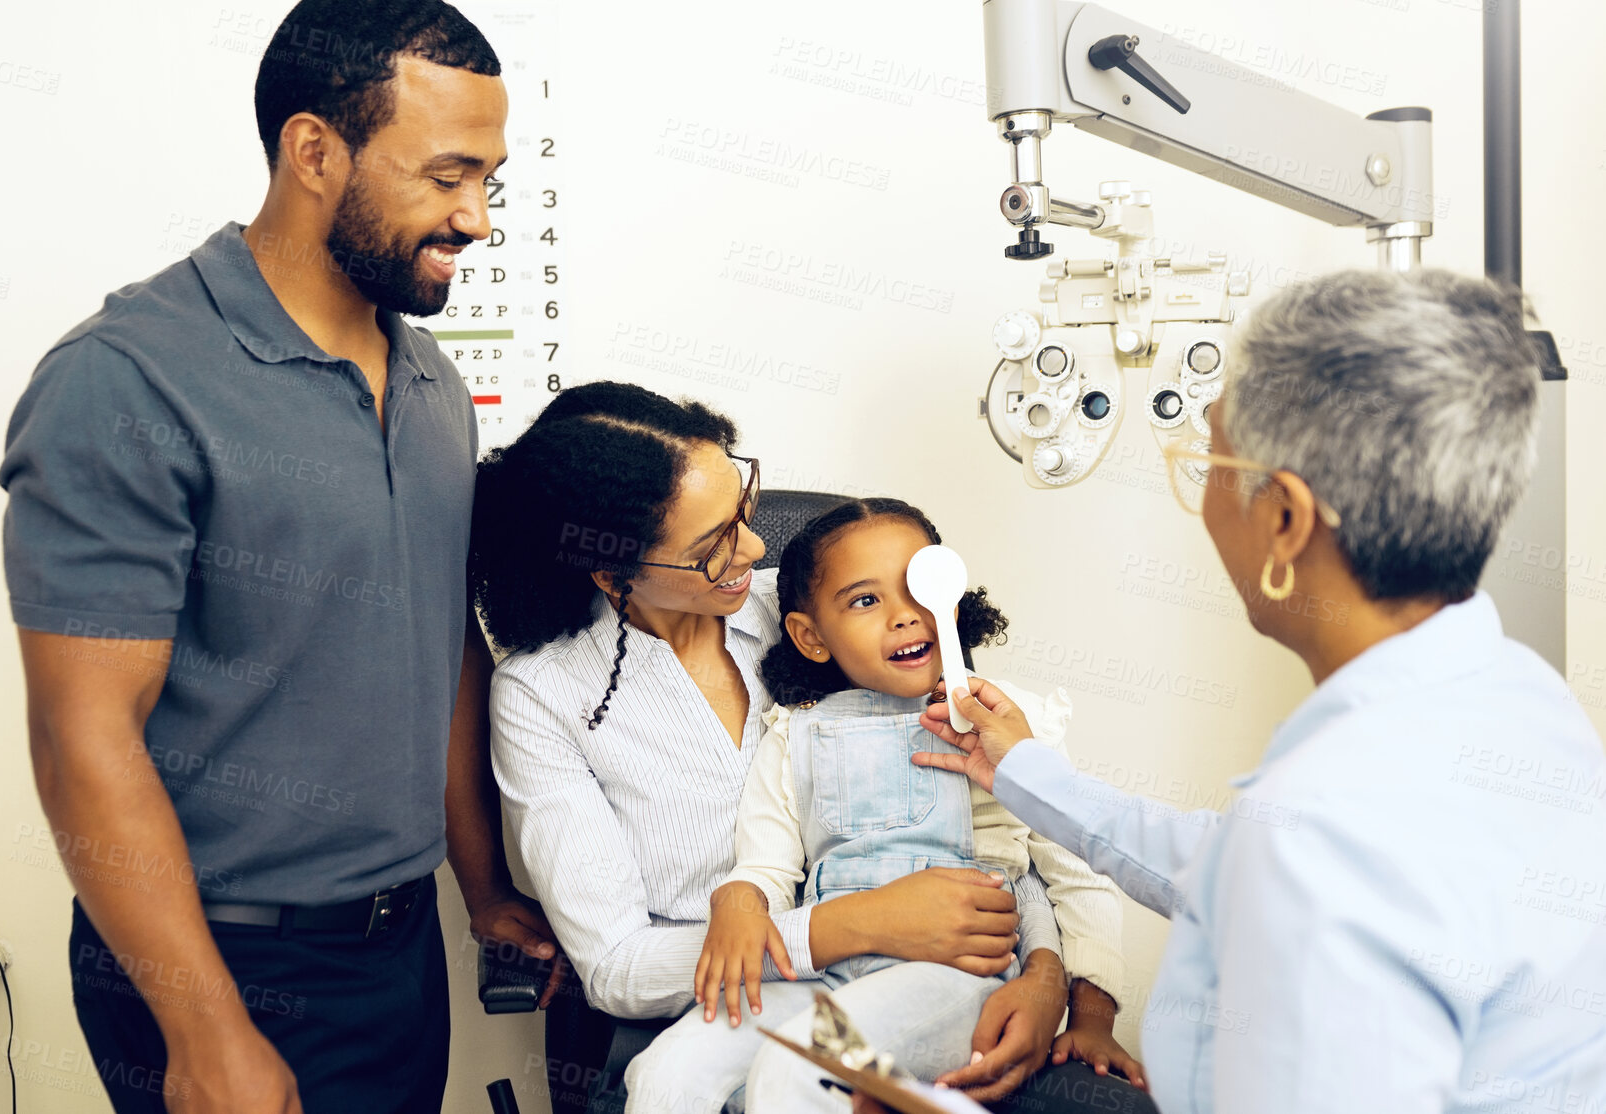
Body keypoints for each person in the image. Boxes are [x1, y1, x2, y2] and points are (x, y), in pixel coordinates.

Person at [0, 4, 557, 1111]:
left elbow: (440, 650)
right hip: (217, 968)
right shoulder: (125, 379)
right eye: (447, 176)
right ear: (314, 151)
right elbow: (81, 737)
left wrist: (483, 888)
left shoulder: (435, 385)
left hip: (397, 959)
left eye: (489, 178)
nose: (478, 217)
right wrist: (203, 1032)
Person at [913, 269, 1606, 1111]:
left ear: (1283, 520)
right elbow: (1234, 860)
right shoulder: (1518, 695)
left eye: (1208, 455)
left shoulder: (1325, 827)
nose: (1202, 494)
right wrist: (1022, 770)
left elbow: (1300, 863)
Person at [475, 383, 1031, 1111]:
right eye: (711, 548)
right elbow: (616, 966)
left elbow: (996, 812)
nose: (756, 547)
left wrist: (1048, 979)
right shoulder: (541, 695)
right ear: (614, 575)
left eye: (742, 508)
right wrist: (845, 926)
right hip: (705, 1015)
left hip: (917, 983)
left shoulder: (825, 609)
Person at [649, 497, 1150, 1114]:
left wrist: (1092, 1018)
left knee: (798, 1066)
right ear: (810, 638)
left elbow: (1079, 875)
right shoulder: (793, 734)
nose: (904, 617)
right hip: (824, 977)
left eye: (920, 590)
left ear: (952, 603)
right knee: (664, 1075)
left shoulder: (1010, 723)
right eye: (865, 600)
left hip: (959, 982)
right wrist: (739, 899)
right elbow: (766, 869)